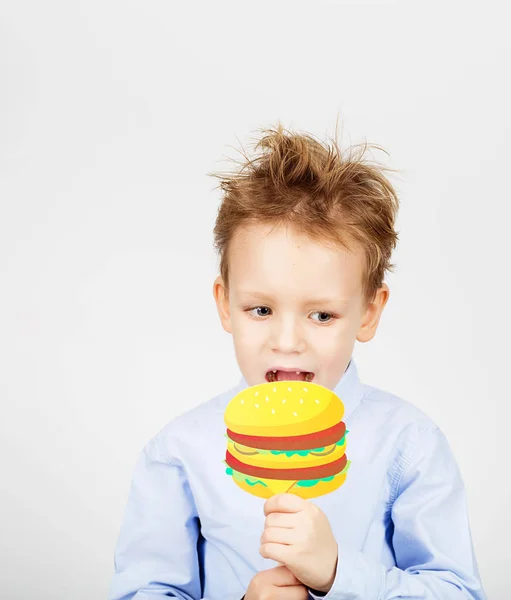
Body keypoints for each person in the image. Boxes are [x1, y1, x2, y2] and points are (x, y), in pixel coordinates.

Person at [109, 124, 487, 600]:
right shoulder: (178, 454)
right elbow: (143, 591)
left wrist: (336, 573)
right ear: (226, 304)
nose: (287, 342)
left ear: (368, 312)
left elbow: (457, 592)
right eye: (261, 310)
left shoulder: (409, 447)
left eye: (322, 314)